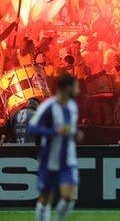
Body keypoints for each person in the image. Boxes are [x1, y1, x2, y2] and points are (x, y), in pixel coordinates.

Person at [28, 74, 83, 221]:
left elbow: (69, 129)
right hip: (49, 159)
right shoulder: (48, 106)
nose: (78, 90)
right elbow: (32, 129)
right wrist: (54, 132)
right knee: (46, 198)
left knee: (69, 196)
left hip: (68, 160)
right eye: (76, 86)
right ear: (67, 88)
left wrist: (75, 134)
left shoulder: (72, 106)